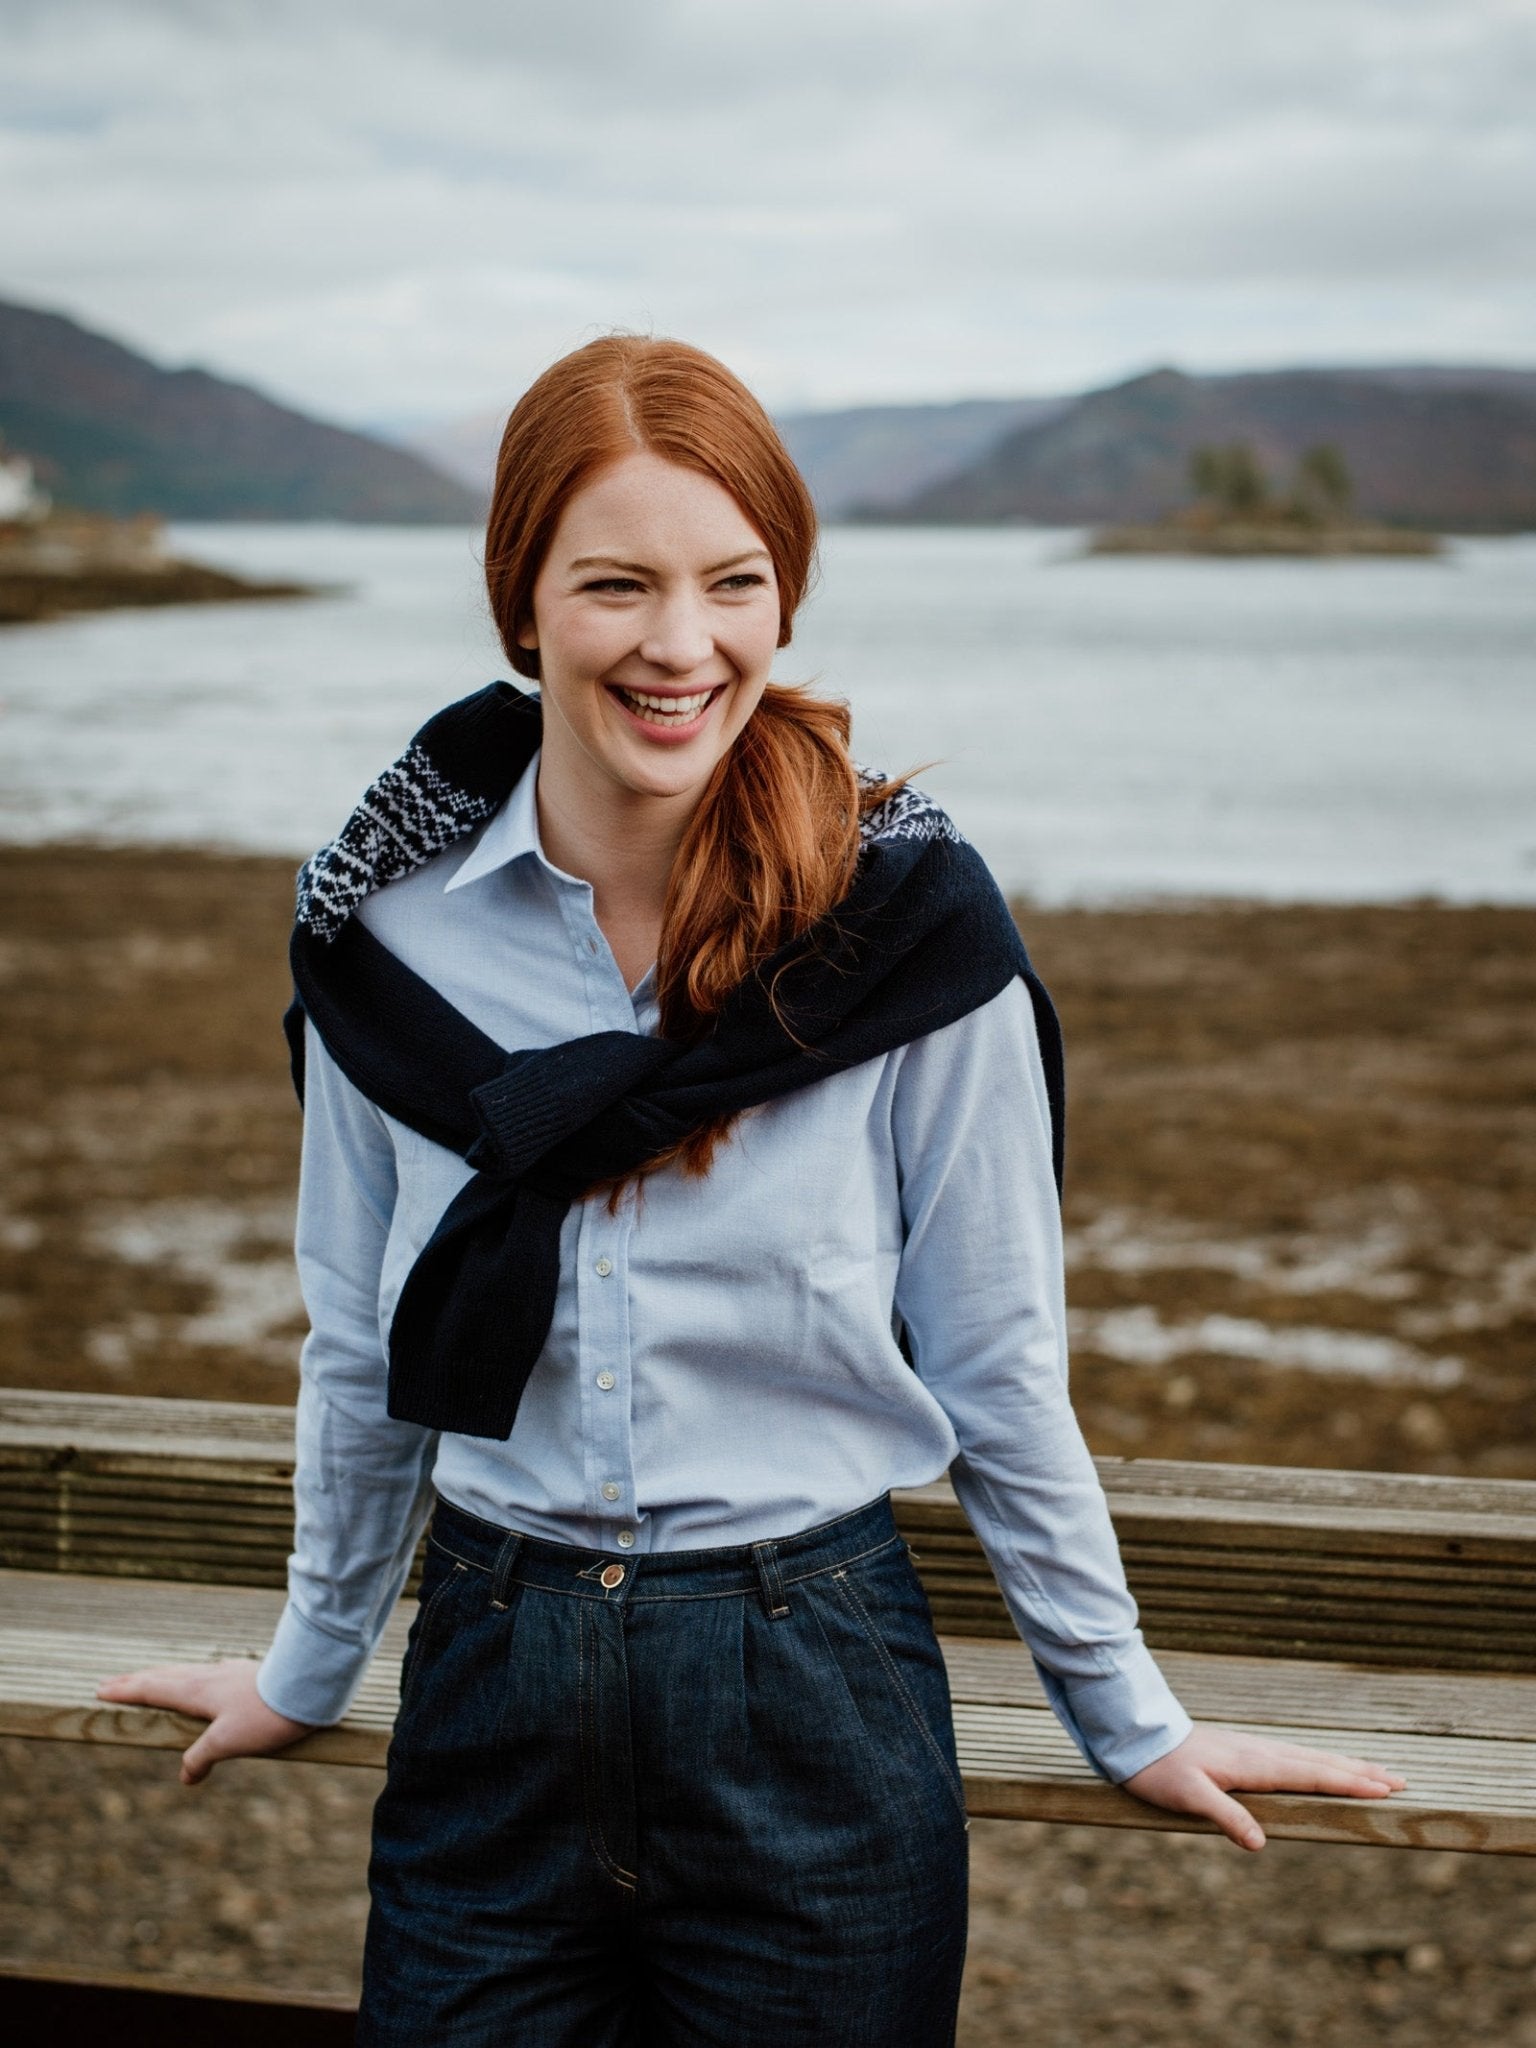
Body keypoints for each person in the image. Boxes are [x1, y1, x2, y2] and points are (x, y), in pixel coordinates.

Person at [99, 335, 1405, 2046]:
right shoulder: (380, 940)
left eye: (734, 582)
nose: (680, 641)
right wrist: (309, 1661)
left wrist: (1126, 1709)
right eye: (616, 583)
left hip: (817, 1689)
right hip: (492, 1667)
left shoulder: (913, 941)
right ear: (522, 605)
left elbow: (999, 1361)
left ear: (785, 603)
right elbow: (359, 1340)